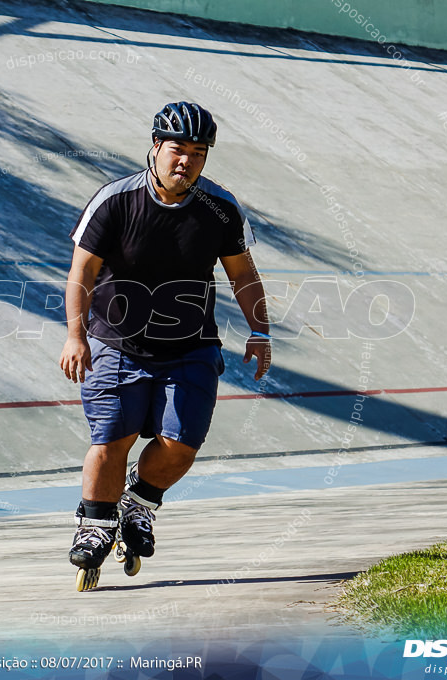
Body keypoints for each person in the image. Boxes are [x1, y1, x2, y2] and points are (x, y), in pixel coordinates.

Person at [59, 101, 272, 591]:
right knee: (113, 438)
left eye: (199, 153)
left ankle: (139, 503)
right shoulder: (114, 201)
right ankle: (95, 525)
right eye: (178, 149)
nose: (187, 161)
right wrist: (75, 335)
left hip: (191, 345)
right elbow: (82, 273)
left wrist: (259, 330)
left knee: (180, 445)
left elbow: (242, 274)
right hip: (117, 342)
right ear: (156, 147)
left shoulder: (220, 208)